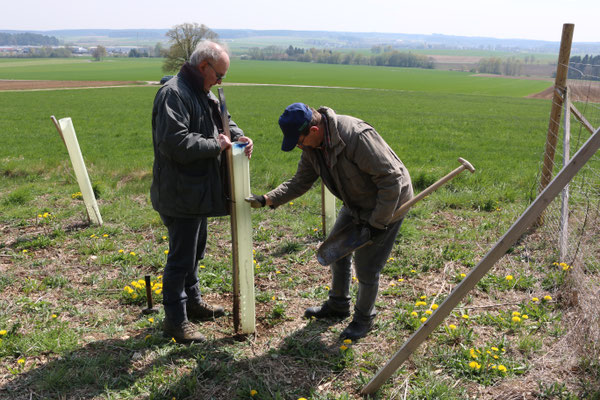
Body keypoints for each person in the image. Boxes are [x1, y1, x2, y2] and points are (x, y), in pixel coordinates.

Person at [246, 103, 412, 340]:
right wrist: (267, 199)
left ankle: (364, 319)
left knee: (367, 267)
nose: (299, 146)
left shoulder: (355, 136)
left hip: (389, 203)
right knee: (337, 250)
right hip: (355, 202)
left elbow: (391, 180)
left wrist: (376, 225)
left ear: (314, 131)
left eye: (300, 141)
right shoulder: (313, 147)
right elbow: (300, 182)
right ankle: (338, 304)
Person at [151, 40, 253, 343]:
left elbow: (224, 120)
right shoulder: (174, 93)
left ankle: (193, 304)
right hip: (179, 193)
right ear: (203, 66)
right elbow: (174, 143)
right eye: (219, 74)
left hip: (198, 192)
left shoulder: (202, 90)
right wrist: (215, 145)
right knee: (181, 258)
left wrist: (238, 136)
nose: (221, 81)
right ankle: (175, 320)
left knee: (195, 252)